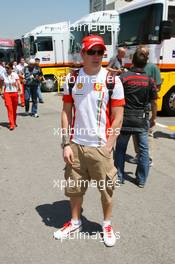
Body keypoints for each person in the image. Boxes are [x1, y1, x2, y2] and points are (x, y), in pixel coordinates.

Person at [53, 35, 125, 247]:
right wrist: (66, 143)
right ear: (82, 54)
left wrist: (110, 144)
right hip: (75, 146)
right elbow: (66, 112)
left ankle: (107, 224)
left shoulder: (112, 80)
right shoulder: (72, 79)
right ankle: (75, 222)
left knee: (107, 190)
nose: (96, 56)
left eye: (100, 52)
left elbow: (118, 115)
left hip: (100, 147)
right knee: (74, 189)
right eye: (91, 52)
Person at [115, 50, 157, 187]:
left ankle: (120, 177)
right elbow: (154, 102)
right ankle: (141, 180)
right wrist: (153, 118)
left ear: (132, 61)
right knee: (144, 151)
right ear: (145, 64)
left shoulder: (123, 78)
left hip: (125, 119)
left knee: (121, 149)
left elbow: (115, 99)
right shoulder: (150, 81)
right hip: (141, 120)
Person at [130, 46, 162, 166]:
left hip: (147, 105)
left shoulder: (153, 67)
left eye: (142, 53)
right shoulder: (133, 67)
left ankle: (149, 158)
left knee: (148, 133)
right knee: (135, 133)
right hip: (134, 106)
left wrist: (154, 116)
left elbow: (158, 86)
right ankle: (139, 155)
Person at [0, 62, 22, 130]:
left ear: (11, 68)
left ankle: (14, 121)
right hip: (7, 93)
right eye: (6, 68)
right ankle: (11, 124)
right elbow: (3, 84)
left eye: (7, 68)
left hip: (14, 92)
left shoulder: (15, 74)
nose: (6, 69)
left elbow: (18, 83)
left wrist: (20, 90)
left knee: (14, 109)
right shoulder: (3, 74)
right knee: (9, 109)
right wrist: (2, 92)